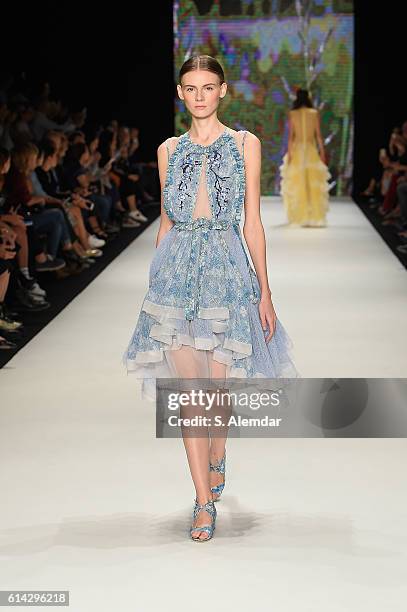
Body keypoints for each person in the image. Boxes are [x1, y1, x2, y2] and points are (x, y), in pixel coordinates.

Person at [122, 54, 299, 542]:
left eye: (208, 87)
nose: (199, 95)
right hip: (177, 276)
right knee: (191, 399)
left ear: (222, 91)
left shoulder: (245, 144)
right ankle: (202, 502)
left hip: (227, 273)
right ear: (180, 93)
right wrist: (154, 290)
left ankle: (218, 454)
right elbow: (167, 221)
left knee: (217, 396)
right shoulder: (167, 150)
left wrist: (265, 292)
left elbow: (253, 222)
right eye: (190, 88)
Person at [279, 88, 331, 227]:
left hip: (297, 151)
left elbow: (291, 137)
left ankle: (300, 216)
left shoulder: (293, 114)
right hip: (311, 151)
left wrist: (289, 155)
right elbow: (318, 136)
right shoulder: (314, 113)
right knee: (312, 183)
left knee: (298, 182)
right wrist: (322, 153)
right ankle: (314, 216)